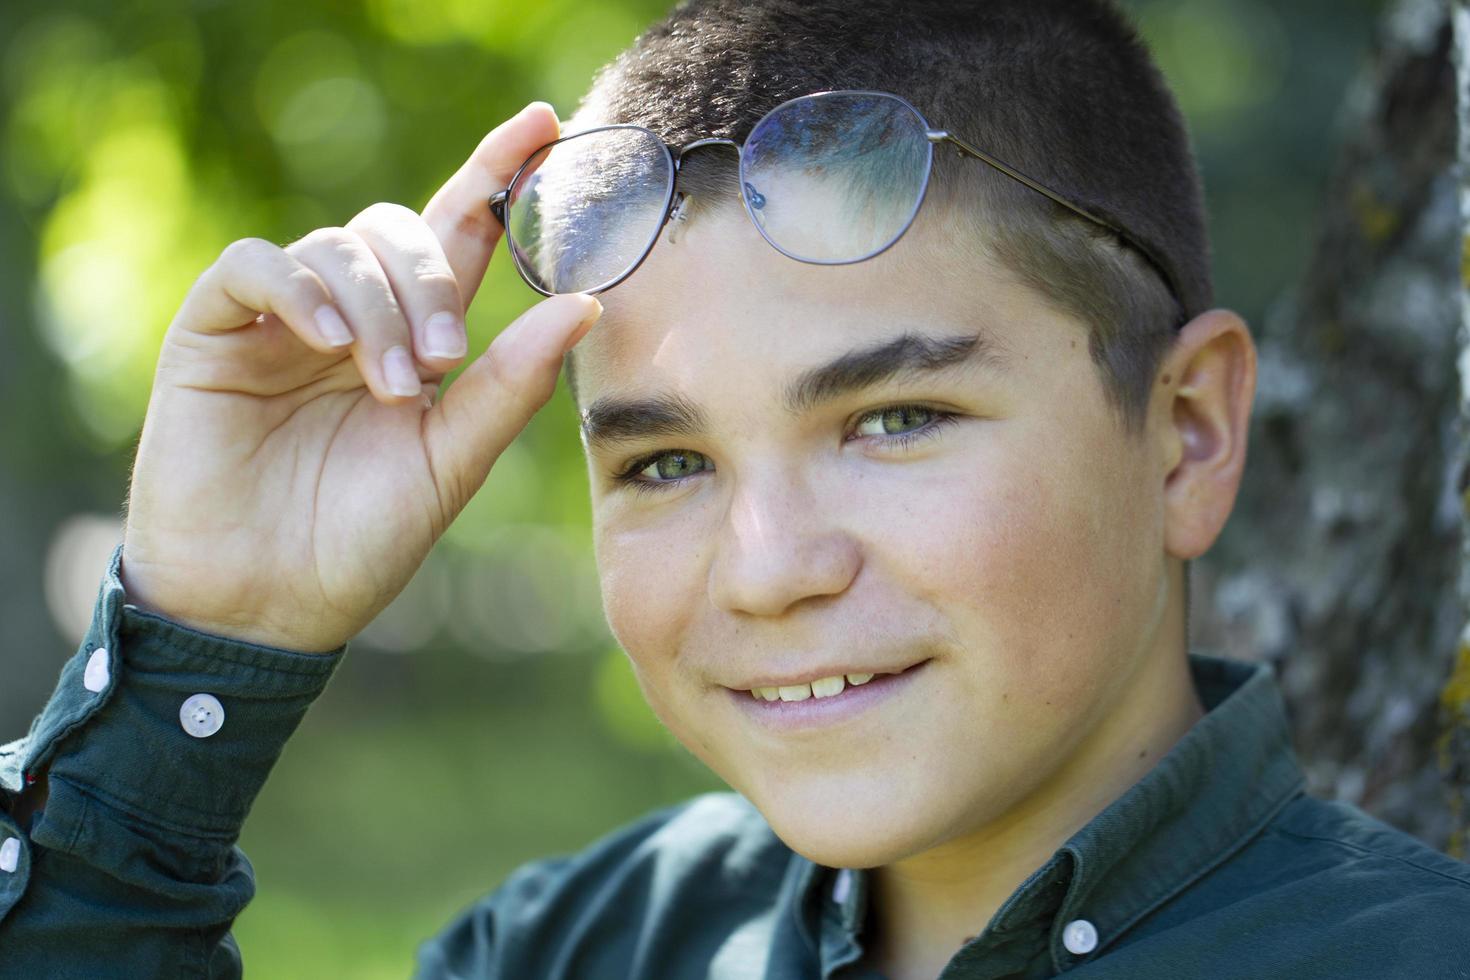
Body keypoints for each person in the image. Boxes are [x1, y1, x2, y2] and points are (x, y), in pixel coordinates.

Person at [2, 0, 1467, 976]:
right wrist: (210, 629)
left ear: (1187, 434)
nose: (766, 570)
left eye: (894, 419)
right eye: (667, 461)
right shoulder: (576, 948)